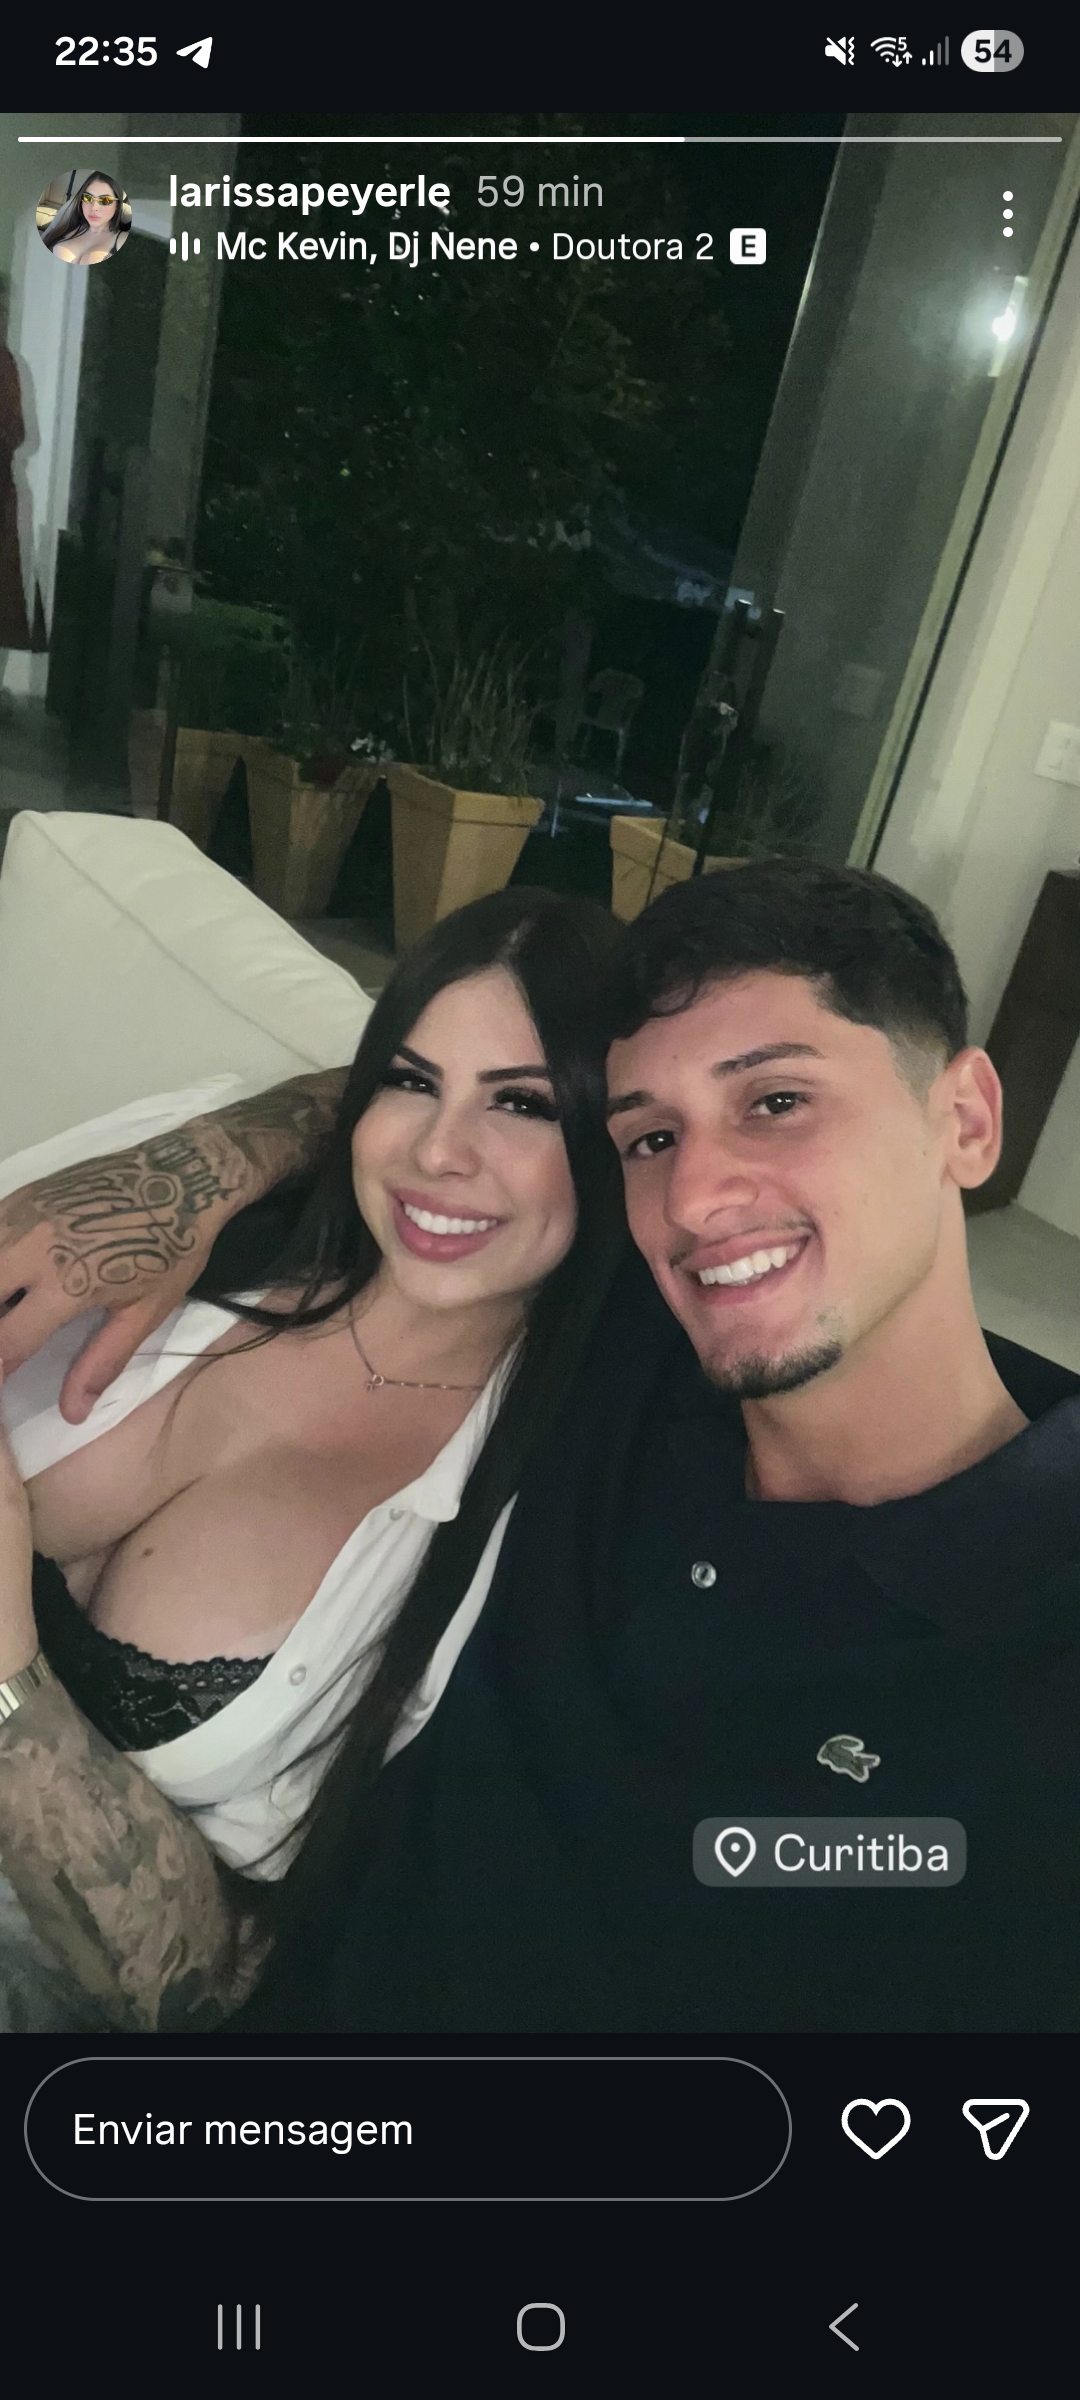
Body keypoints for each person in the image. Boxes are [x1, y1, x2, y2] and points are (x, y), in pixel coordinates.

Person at [5, 862, 1079, 2033]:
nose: (697, 1196)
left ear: (967, 1121)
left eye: (777, 1101)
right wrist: (187, 1174)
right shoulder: (627, 1358)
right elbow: (426, 1110)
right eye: (651, 1136)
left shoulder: (1030, 1673)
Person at [0, 888, 624, 2028]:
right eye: (413, 1081)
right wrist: (224, 1156)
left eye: (523, 1103)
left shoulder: (525, 1543)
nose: (439, 1152)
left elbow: (217, 1980)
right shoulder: (200, 1213)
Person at [40, 173, 130, 266]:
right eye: (87, 198)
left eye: (105, 200)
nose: (94, 207)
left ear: (117, 205)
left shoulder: (122, 239)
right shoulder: (68, 224)